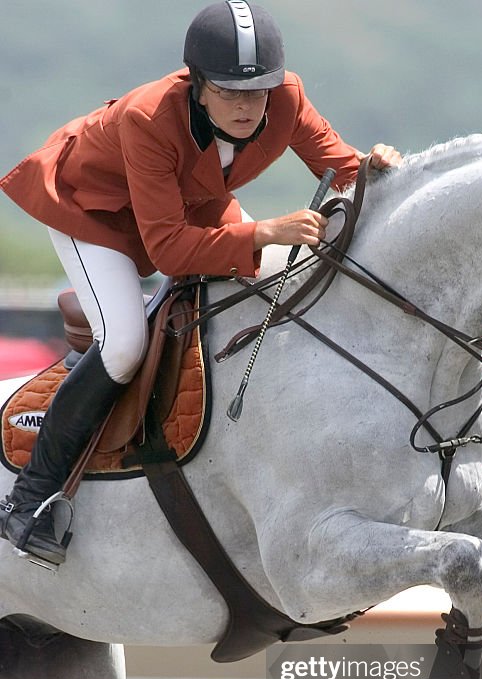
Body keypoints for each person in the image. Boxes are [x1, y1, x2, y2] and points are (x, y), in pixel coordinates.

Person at [0, 0, 401, 565]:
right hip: (93, 214)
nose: (246, 106)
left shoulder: (287, 97)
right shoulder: (148, 118)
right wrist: (263, 231)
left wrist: (382, 167)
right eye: (230, 92)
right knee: (124, 342)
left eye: (257, 90)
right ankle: (28, 500)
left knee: (258, 293)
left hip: (190, 203)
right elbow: (167, 248)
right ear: (197, 84)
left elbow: (347, 169)